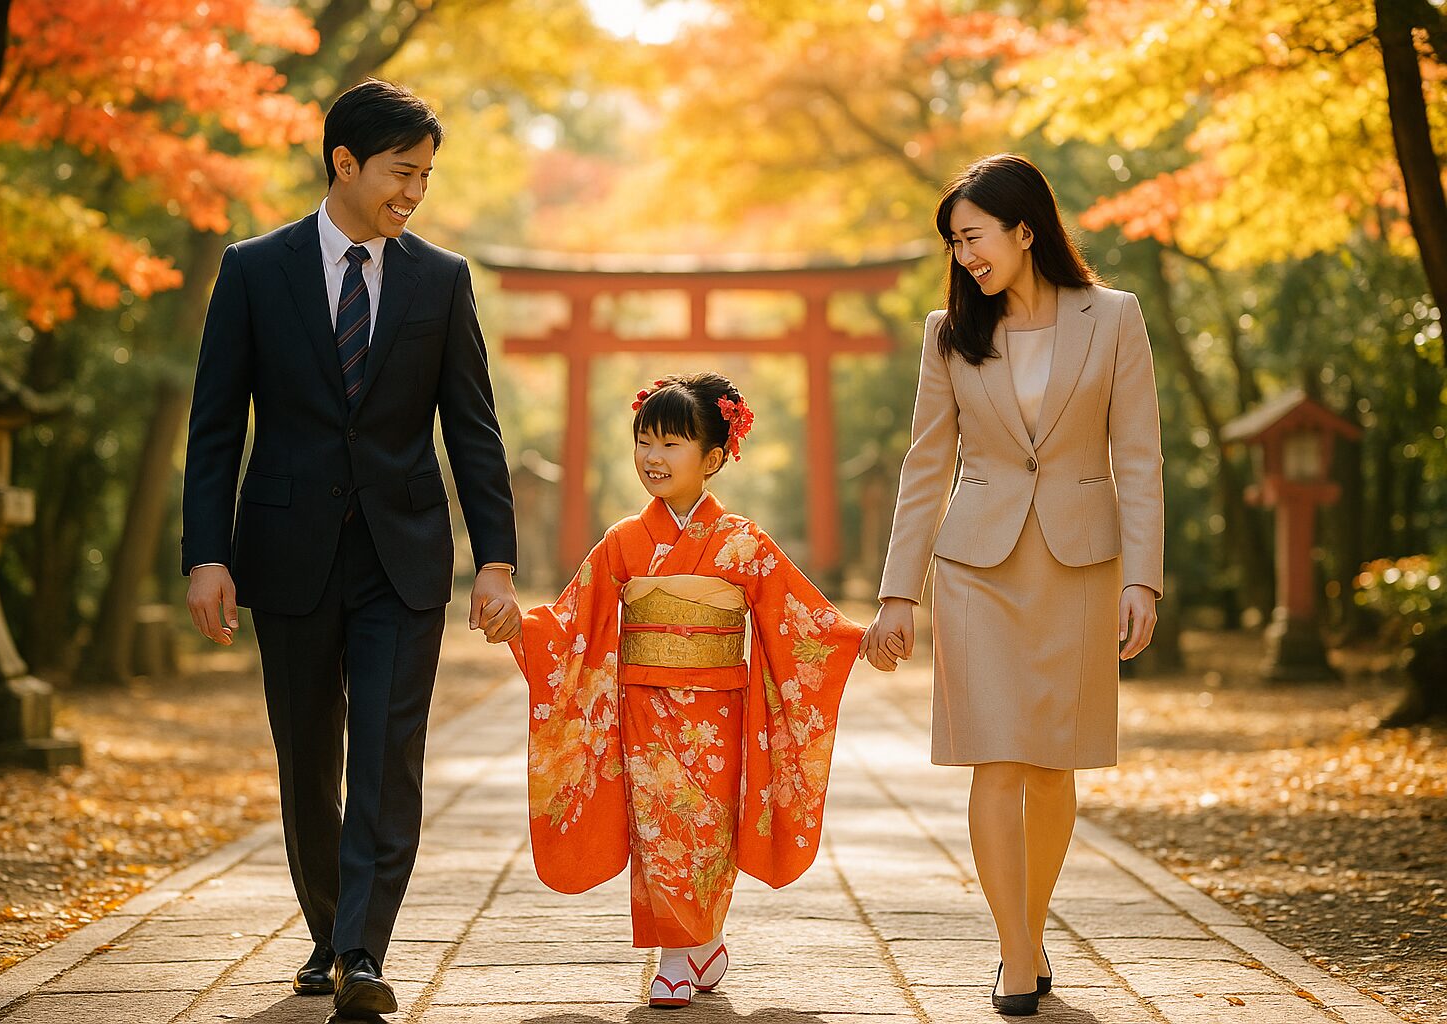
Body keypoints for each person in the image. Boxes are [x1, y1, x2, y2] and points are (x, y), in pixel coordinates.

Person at [181, 79, 520, 1019]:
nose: (414, 193)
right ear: (344, 163)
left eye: (425, 176)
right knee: (307, 757)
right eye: (401, 173)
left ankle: (363, 952)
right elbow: (216, 426)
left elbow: (475, 429)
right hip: (285, 551)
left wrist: (496, 556)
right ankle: (330, 929)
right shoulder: (255, 270)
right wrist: (206, 553)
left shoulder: (439, 279)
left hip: (402, 555)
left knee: (385, 754)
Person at [861, 154, 1164, 1016]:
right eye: (954, 244)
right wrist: (898, 592)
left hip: (1081, 563)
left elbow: (1139, 456)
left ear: (1024, 229)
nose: (964, 258)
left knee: (1051, 767)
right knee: (993, 760)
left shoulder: (1114, 318)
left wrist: (1142, 578)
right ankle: (1017, 956)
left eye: (974, 237)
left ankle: (1028, 934)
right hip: (975, 568)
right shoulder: (948, 333)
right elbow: (927, 466)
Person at [502, 373, 872, 1009]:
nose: (652, 456)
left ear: (714, 457)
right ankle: (678, 953)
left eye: (671, 443)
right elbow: (574, 619)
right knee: (657, 827)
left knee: (708, 827)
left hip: (718, 711)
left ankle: (697, 940)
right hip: (643, 707)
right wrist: (521, 627)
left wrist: (856, 640)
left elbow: (798, 615)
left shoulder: (744, 544)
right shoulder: (623, 541)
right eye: (644, 440)